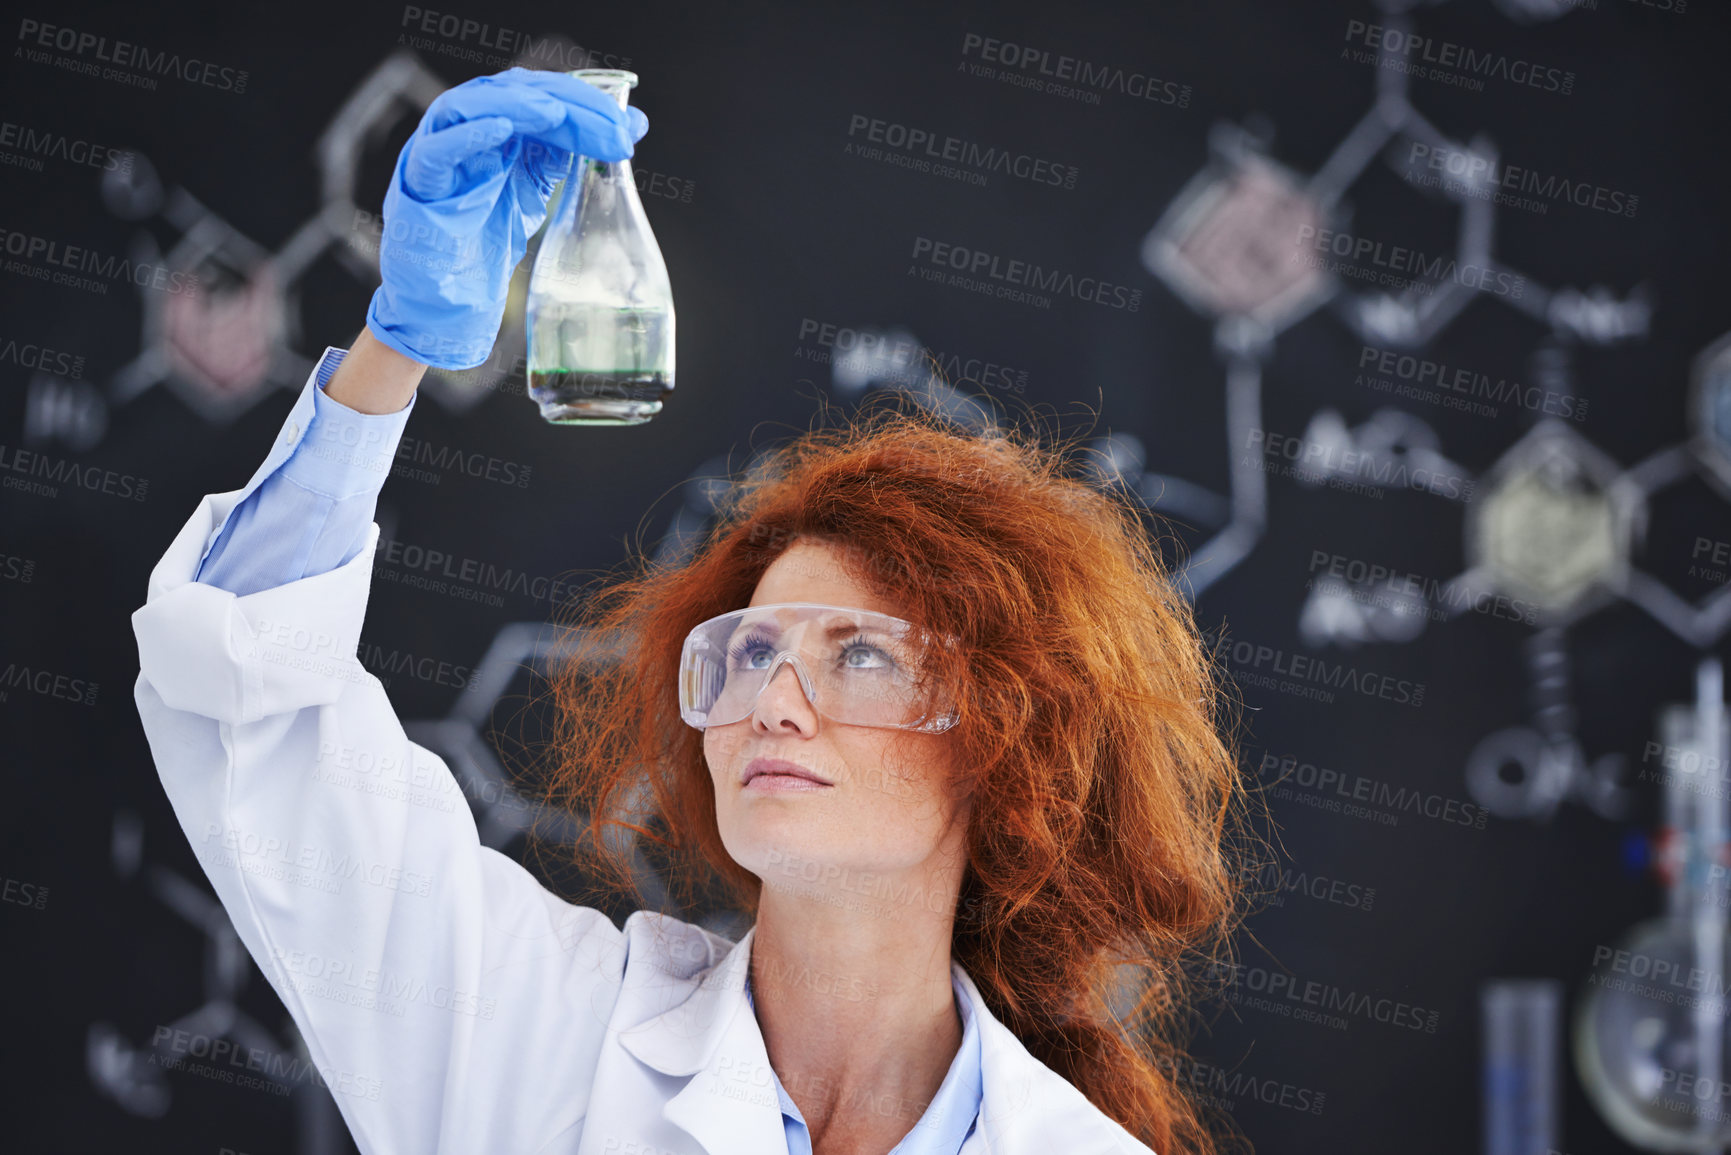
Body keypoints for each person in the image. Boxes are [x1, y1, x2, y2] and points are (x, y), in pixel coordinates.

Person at [131, 67, 1251, 1155]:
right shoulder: (544, 1038)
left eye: (857, 654)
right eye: (749, 650)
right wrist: (398, 345)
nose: (774, 702)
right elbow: (254, 701)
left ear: (1004, 734)